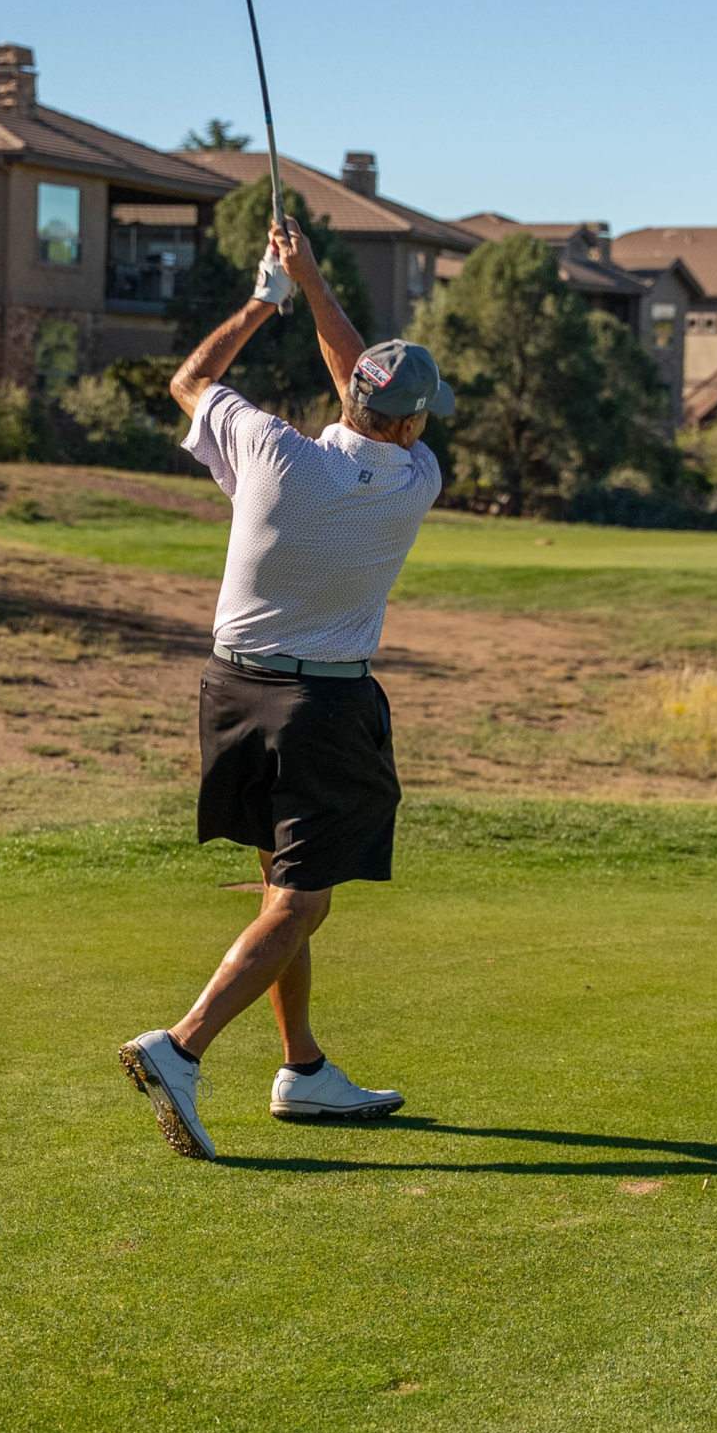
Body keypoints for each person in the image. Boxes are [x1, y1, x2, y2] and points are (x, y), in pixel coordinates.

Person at [117, 216, 455, 1161]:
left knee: (281, 884)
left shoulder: (266, 449)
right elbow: (365, 385)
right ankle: (181, 1048)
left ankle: (303, 1071)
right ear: (413, 424)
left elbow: (191, 382)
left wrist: (268, 298)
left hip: (230, 692)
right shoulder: (414, 478)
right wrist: (313, 287)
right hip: (323, 710)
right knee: (303, 902)